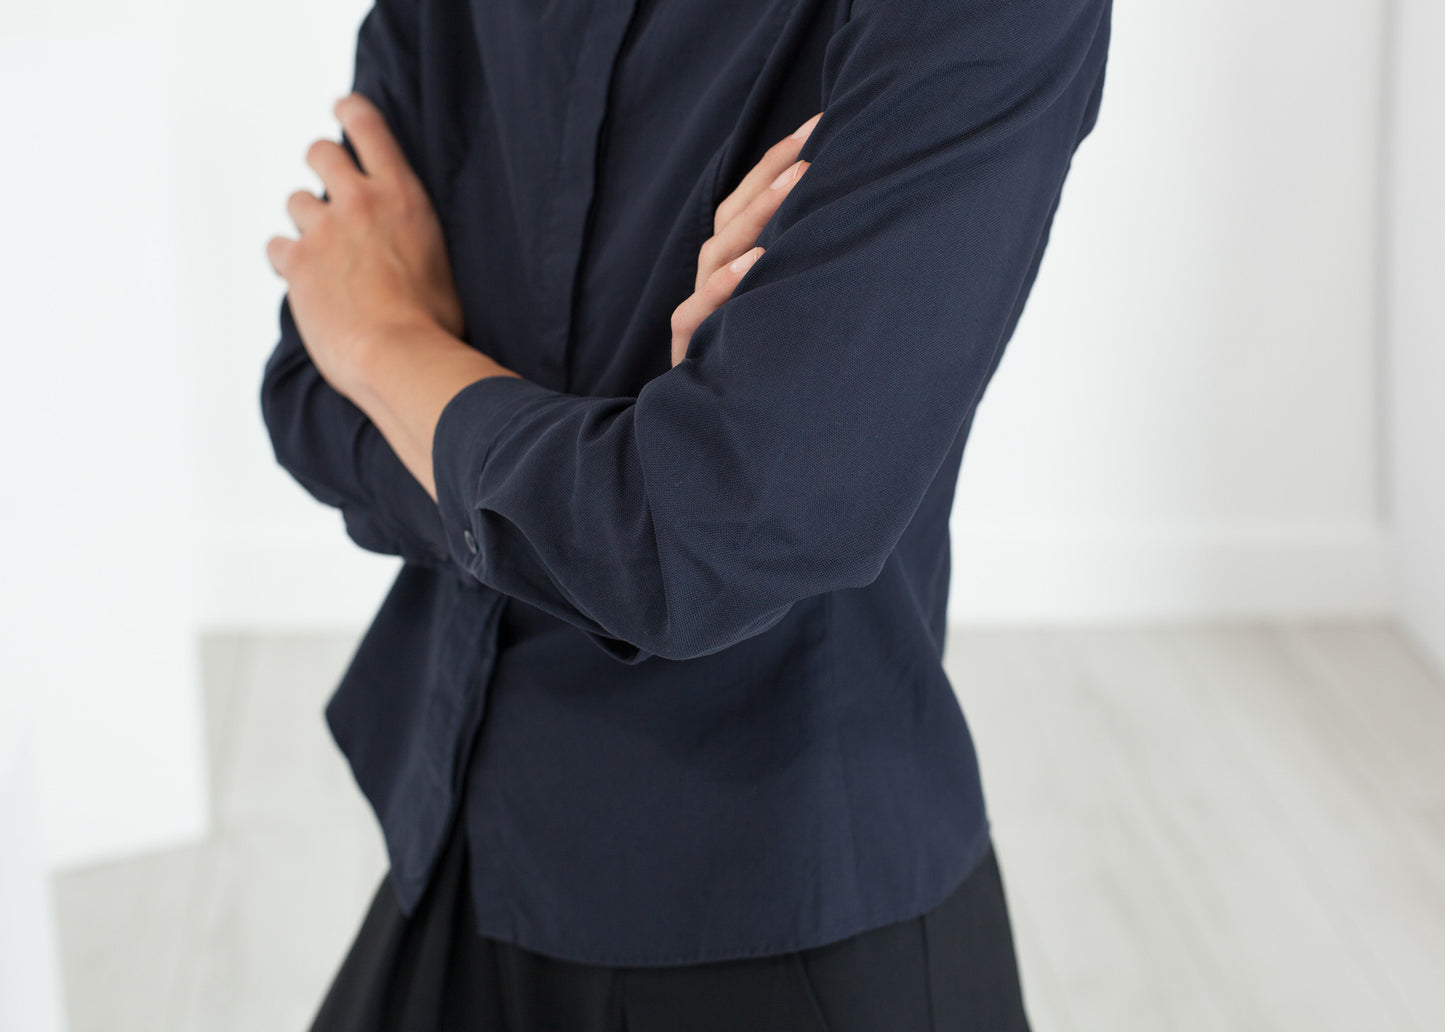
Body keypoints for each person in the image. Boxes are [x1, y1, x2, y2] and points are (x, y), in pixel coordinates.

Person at [260, 0, 1112, 1027]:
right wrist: (636, 463)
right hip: (464, 829)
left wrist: (394, 345)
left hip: (778, 917)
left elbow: (706, 533)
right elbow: (311, 382)